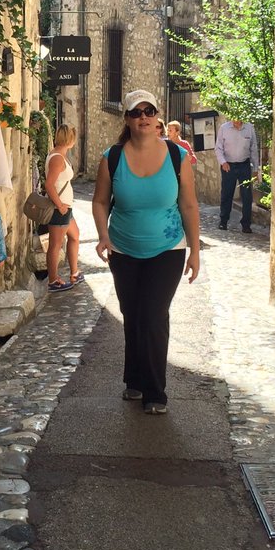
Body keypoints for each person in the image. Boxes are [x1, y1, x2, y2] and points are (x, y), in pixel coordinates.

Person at [91, 90, 200, 414]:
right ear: (126, 118)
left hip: (167, 248)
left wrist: (194, 250)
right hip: (123, 248)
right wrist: (103, 235)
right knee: (132, 312)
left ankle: (155, 392)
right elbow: (99, 201)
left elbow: (189, 204)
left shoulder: (177, 156)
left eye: (149, 111)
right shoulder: (112, 157)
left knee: (153, 313)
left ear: (157, 117)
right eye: (136, 112)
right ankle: (134, 378)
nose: (143, 117)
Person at [45, 124, 82, 293]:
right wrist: (59, 205)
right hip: (59, 208)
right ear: (70, 139)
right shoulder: (57, 158)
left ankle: (75, 272)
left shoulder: (60, 155)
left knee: (75, 235)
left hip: (66, 207)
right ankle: (53, 281)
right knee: (55, 244)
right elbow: (49, 185)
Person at [214, 116, 259, 233]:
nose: (236, 119)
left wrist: (255, 168)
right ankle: (223, 221)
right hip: (228, 166)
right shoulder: (224, 128)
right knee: (227, 194)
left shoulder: (249, 128)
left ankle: (246, 224)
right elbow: (218, 148)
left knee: (246, 196)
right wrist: (223, 162)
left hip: (244, 165)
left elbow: (253, 148)